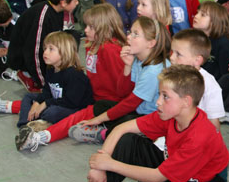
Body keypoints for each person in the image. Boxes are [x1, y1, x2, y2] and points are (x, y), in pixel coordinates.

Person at [46, 66, 229, 182]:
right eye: (160, 94)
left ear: (186, 101)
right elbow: (122, 129)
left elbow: (157, 177)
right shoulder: (172, 115)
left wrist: (110, 164)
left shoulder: (200, 135)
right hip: (173, 179)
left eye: (165, 96)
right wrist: (102, 162)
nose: (158, 102)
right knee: (129, 141)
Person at [16, 15, 170, 150]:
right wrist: (127, 66)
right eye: (131, 32)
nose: (128, 37)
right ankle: (43, 136)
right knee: (99, 107)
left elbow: (130, 103)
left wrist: (99, 118)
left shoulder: (152, 71)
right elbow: (123, 92)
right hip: (138, 112)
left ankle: (101, 133)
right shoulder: (138, 60)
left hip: (152, 119)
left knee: (123, 128)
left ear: (150, 43)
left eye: (136, 34)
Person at [0, 30, 94, 127]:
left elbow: (71, 102)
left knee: (52, 112)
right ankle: (26, 124)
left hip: (74, 108)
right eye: (45, 48)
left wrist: (45, 104)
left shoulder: (74, 75)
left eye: (51, 49)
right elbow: (47, 91)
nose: (45, 52)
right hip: (57, 102)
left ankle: (40, 118)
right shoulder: (51, 70)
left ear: (65, 52)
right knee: (29, 97)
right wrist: (38, 102)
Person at [6, 0, 84, 91]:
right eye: (75, 0)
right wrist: (45, 85)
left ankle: (60, 72)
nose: (77, 3)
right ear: (63, 2)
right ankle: (29, 76)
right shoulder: (43, 16)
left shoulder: (57, 10)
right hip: (24, 58)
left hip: (41, 50)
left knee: (73, 36)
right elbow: (34, 54)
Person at [169, 29, 225, 129]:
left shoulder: (209, 84)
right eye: (172, 52)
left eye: (178, 54)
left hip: (196, 131)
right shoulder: (171, 75)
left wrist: (214, 138)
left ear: (197, 60)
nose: (172, 58)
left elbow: (213, 121)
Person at [192, 1, 229, 80]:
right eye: (197, 13)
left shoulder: (223, 45)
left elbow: (226, 76)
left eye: (203, 15)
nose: (196, 16)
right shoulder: (194, 39)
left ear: (214, 21)